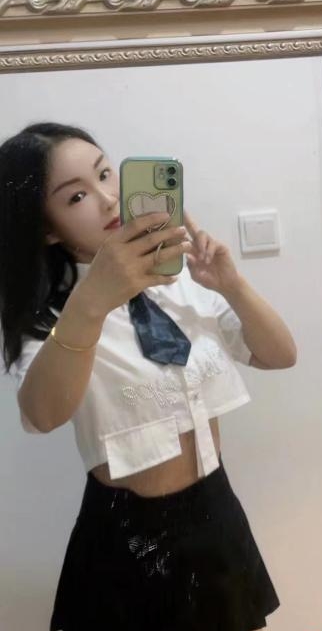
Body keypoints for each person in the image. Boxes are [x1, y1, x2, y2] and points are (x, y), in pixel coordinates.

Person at [0, 122, 297, 631]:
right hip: (129, 540)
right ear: (47, 228)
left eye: (105, 174)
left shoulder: (180, 279)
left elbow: (280, 355)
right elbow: (42, 413)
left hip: (217, 512)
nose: (107, 199)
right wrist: (92, 302)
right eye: (76, 196)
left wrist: (230, 283)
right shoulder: (53, 317)